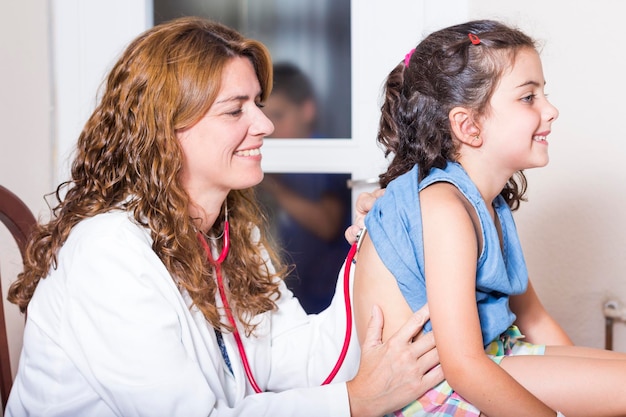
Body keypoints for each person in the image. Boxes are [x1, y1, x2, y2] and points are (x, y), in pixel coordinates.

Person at [5, 17, 444, 417]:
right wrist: (354, 402)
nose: (265, 124)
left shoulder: (230, 235)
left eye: (258, 103)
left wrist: (380, 237)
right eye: (236, 110)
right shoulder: (107, 253)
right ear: (164, 129)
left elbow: (304, 359)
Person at [353, 19, 626, 417]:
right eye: (529, 97)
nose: (551, 110)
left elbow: (534, 317)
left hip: (494, 355)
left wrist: (587, 399)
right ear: (469, 126)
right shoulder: (444, 207)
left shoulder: (486, 202)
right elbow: (463, 368)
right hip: (438, 388)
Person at [259, 62, 352, 313]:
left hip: (329, 300)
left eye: (278, 116)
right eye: (264, 117)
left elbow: (327, 223)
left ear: (307, 110)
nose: (270, 128)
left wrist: (274, 187)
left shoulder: (324, 155)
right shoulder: (282, 159)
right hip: (301, 296)